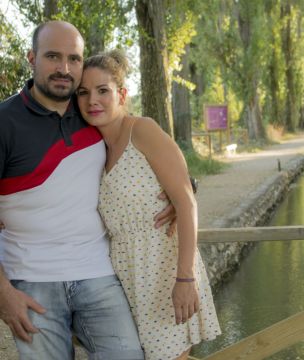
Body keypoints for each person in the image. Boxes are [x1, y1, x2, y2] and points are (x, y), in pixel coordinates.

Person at [0, 20, 176, 360]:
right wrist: (3, 294)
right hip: (32, 280)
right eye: (53, 57)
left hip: (98, 273)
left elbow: (148, 156)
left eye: (74, 59)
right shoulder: (4, 122)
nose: (64, 69)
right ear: (31, 57)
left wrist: (182, 191)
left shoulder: (93, 113)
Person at [77, 49, 221, 360]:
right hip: (123, 277)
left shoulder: (142, 130)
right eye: (83, 93)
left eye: (103, 90)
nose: (92, 101)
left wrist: (185, 278)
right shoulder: (93, 148)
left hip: (164, 270)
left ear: (122, 94)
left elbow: (185, 202)